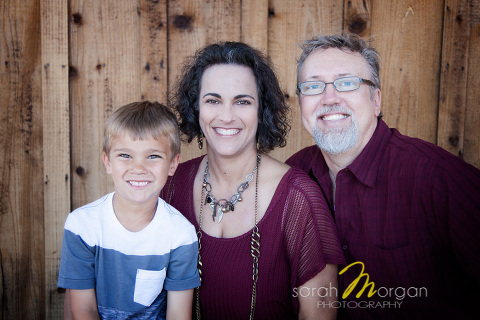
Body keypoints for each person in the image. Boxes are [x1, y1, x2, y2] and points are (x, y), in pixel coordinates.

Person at [286, 33, 480, 319]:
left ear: (376, 99)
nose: (329, 98)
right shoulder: (294, 175)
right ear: (301, 103)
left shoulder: (438, 177)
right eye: (313, 86)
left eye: (347, 83)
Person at [160, 41, 346, 319]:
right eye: (213, 100)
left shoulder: (298, 198)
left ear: (262, 111)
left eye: (242, 101)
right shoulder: (171, 185)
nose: (226, 116)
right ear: (196, 108)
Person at [58, 101, 200, 319]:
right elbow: (83, 309)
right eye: (125, 155)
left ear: (172, 164)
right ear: (107, 162)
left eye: (153, 156)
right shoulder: (82, 225)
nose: (138, 168)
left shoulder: (180, 234)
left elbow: (178, 314)